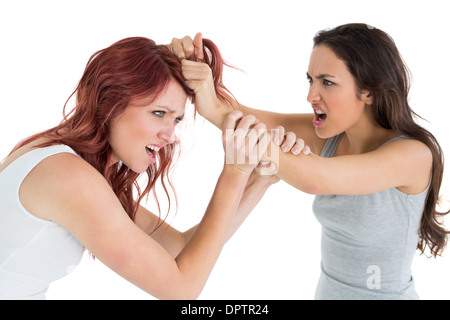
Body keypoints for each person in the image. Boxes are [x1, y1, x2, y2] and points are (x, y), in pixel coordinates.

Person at [0, 36, 309, 300]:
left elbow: (179, 249)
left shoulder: (72, 166)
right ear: (110, 103)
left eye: (175, 119)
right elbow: (180, 289)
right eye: (158, 112)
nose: (169, 135)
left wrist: (259, 181)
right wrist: (234, 172)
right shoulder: (66, 175)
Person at [169, 24, 449, 299]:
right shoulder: (331, 138)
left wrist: (214, 108)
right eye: (311, 80)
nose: (310, 96)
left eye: (327, 82)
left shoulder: (413, 155)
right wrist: (198, 74)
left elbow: (316, 178)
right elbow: (240, 115)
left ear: (369, 92)